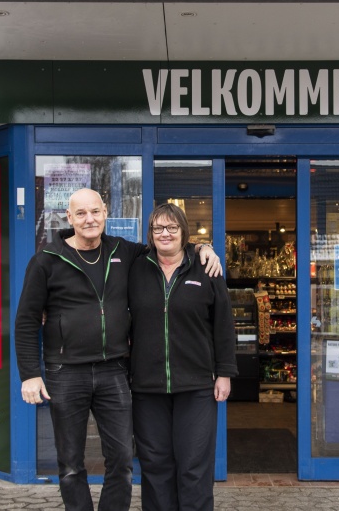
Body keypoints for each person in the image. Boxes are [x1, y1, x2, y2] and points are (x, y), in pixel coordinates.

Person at [14, 188, 220, 511]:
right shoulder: (46, 261)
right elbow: (26, 320)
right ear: (69, 218)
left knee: (122, 461)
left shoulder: (124, 252)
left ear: (106, 213)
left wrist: (203, 248)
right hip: (65, 373)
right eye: (80, 213)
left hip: (113, 371)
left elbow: (168, 246)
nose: (89, 219)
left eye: (95, 212)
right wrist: (29, 374)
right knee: (70, 464)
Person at [128, 203, 238, 511]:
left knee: (194, 467)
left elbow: (224, 324)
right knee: (155, 465)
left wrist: (225, 372)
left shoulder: (206, 269)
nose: (165, 234)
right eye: (158, 228)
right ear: (150, 234)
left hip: (197, 385)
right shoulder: (135, 267)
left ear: (183, 232)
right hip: (147, 387)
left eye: (172, 228)